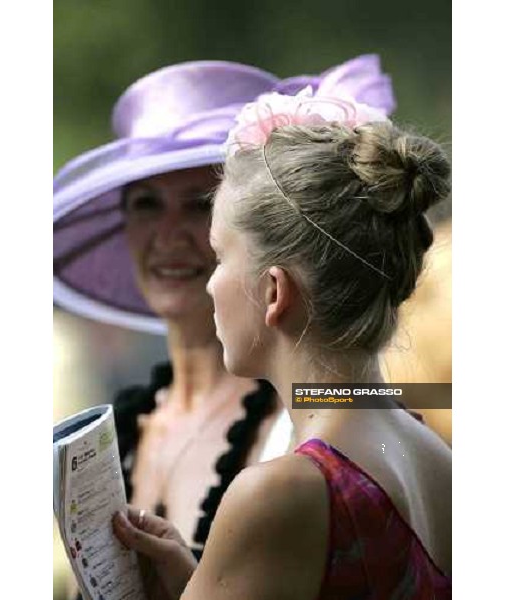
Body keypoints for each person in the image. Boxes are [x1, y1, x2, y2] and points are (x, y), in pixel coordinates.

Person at [112, 85, 452, 599]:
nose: (209, 283)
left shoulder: (281, 490)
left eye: (221, 256)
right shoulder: (431, 452)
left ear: (274, 291)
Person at [53, 57, 396, 560]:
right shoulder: (120, 432)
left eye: (198, 203)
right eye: (146, 203)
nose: (168, 236)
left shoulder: (322, 415)